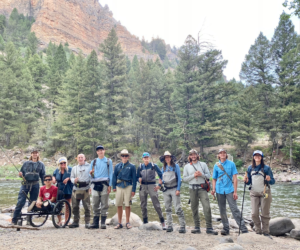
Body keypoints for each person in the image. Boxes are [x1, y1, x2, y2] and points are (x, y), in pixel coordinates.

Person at [211, 149, 249, 235]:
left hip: (229, 189)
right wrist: (213, 189)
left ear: (226, 154)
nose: (223, 154)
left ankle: (243, 228)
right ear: (219, 155)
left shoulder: (232, 164)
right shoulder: (216, 165)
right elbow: (214, 179)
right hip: (219, 189)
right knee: (222, 210)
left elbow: (235, 178)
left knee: (234, 209)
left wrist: (235, 192)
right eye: (221, 153)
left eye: (224, 153)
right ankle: (225, 228)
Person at [183, 149, 218, 235]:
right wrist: (193, 175)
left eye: (195, 154)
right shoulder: (187, 166)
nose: (193, 156)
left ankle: (209, 228)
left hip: (202, 188)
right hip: (192, 189)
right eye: (191, 155)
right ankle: (197, 227)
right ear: (190, 156)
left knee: (207, 207)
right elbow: (184, 179)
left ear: (197, 155)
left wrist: (201, 174)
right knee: (194, 208)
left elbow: (208, 176)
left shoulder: (203, 164)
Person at [244, 150, 275, 239]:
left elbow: (273, 181)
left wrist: (269, 179)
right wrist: (246, 181)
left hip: (265, 192)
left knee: (265, 213)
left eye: (259, 155)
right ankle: (258, 230)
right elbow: (248, 181)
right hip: (254, 193)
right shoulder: (250, 168)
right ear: (253, 157)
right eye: (255, 155)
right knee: (254, 213)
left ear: (261, 157)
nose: (257, 157)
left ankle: (265, 232)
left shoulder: (266, 168)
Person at [11, 148, 45, 225]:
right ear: (31, 154)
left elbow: (43, 176)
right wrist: (20, 175)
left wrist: (44, 186)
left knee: (32, 203)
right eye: (33, 153)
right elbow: (21, 174)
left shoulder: (41, 164)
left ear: (38, 154)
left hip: (35, 185)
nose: (35, 154)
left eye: (36, 153)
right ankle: (14, 220)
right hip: (25, 185)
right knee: (20, 202)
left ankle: (29, 221)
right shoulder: (26, 163)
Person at [137, 152, 166, 229]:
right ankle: (145, 221)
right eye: (144, 157)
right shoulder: (140, 167)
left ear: (149, 158)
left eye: (147, 157)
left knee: (156, 204)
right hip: (142, 186)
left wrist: (159, 185)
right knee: (143, 205)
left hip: (152, 186)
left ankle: (162, 221)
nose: (146, 159)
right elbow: (137, 177)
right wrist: (138, 179)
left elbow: (161, 176)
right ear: (142, 159)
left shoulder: (154, 166)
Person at [159, 151, 186, 233]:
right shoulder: (163, 168)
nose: (167, 158)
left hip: (174, 189)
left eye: (168, 157)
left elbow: (179, 179)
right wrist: (160, 184)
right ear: (164, 159)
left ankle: (182, 226)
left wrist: (178, 189)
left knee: (178, 208)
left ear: (171, 158)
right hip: (166, 190)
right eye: (165, 157)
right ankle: (169, 225)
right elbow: (162, 180)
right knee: (167, 208)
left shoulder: (176, 166)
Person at [88, 145, 113, 229]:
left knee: (104, 203)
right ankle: (95, 223)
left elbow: (111, 174)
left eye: (101, 150)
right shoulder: (94, 161)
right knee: (95, 203)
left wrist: (110, 185)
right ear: (97, 152)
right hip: (94, 184)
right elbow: (90, 174)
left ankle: (103, 223)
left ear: (104, 151)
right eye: (98, 150)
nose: (100, 151)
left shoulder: (109, 161)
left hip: (105, 184)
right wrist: (90, 173)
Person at [112, 149, 136, 229]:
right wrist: (114, 186)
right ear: (121, 157)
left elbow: (134, 179)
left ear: (128, 157)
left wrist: (133, 190)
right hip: (119, 186)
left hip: (128, 186)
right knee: (119, 204)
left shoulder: (132, 166)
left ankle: (127, 222)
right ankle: (119, 223)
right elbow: (114, 176)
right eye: (123, 156)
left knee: (127, 204)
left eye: (126, 156)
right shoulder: (117, 166)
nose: (124, 157)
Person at [69, 154, 91, 229]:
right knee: (75, 206)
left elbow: (92, 176)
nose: (80, 159)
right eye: (79, 157)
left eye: (82, 157)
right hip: (76, 188)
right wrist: (73, 180)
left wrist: (91, 186)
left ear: (84, 158)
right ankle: (75, 222)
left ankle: (87, 222)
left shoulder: (89, 167)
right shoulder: (74, 168)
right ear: (77, 159)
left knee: (87, 207)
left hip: (86, 188)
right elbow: (71, 177)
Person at [52, 157, 73, 225]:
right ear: (59, 164)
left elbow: (74, 177)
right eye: (61, 163)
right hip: (59, 188)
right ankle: (59, 221)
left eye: (64, 163)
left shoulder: (70, 169)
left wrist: (68, 178)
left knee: (67, 204)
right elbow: (53, 175)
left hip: (68, 188)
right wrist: (54, 179)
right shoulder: (57, 170)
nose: (63, 164)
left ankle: (66, 220)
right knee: (58, 204)